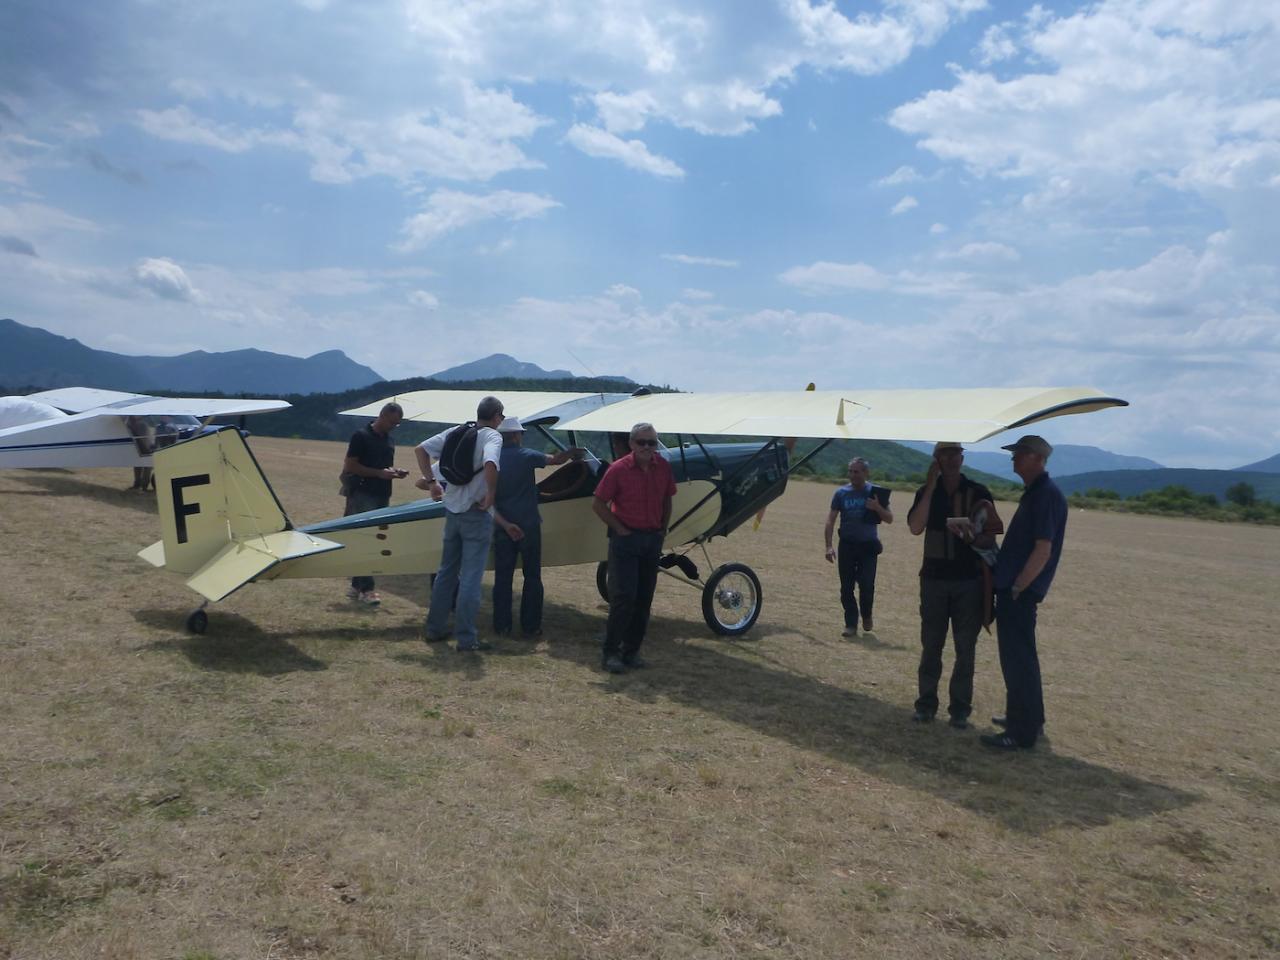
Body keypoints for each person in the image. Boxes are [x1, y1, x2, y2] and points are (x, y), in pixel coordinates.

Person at [906, 441, 1002, 729]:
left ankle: (959, 710)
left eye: (954, 453)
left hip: (968, 581)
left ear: (962, 457)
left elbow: (991, 537)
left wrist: (972, 535)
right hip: (933, 580)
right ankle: (926, 705)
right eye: (943, 454)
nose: (950, 459)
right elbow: (914, 527)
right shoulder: (926, 493)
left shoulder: (978, 493)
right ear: (935, 459)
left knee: (965, 649)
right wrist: (930, 487)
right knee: (930, 646)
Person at [982, 435, 1067, 751]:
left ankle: (1021, 732)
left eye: (1018, 454)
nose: (1013, 459)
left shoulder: (1044, 495)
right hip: (1017, 589)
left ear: (1035, 458)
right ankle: (1028, 718)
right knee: (1021, 658)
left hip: (1019, 592)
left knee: (1018, 660)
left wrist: (1019, 586)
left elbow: (1042, 549)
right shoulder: (1038, 493)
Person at [416, 396, 504, 652]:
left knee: (446, 572)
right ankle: (466, 638)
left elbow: (420, 450)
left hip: (451, 510)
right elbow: (491, 463)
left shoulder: (458, 430)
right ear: (497, 416)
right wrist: (491, 494)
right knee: (470, 579)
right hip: (476, 514)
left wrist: (432, 483)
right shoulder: (492, 437)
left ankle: (434, 629)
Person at [592, 422, 676, 674]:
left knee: (644, 598)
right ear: (631, 444)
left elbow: (667, 499)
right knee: (623, 598)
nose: (647, 447)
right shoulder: (618, 469)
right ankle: (610, 652)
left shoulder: (663, 467)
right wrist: (620, 529)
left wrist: (663, 529)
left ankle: (632, 651)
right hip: (626, 542)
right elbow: (598, 504)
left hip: (652, 539)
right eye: (642, 442)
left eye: (652, 442)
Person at [491, 415, 584, 637]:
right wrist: (572, 452)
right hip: (529, 525)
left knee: (503, 578)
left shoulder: (491, 459)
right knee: (532, 576)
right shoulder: (527, 455)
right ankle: (531, 627)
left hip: (503, 526)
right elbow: (557, 460)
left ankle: (501, 626)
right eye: (521, 434)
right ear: (515, 435)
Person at [342, 402, 408, 605]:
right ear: (382, 415)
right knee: (367, 540)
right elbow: (350, 465)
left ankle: (355, 585)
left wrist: (395, 472)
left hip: (382, 495)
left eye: (397, 424)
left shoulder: (390, 440)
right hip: (362, 494)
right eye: (391, 422)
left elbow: (384, 467)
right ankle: (368, 590)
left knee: (374, 538)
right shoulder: (360, 436)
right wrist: (379, 473)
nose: (393, 427)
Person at [823, 457, 893, 637]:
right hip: (847, 545)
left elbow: (889, 518)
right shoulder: (841, 493)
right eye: (851, 471)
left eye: (857, 471)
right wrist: (829, 546)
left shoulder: (875, 492)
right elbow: (831, 520)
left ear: (866, 473)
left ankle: (867, 615)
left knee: (867, 585)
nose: (853, 475)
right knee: (846, 588)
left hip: (868, 547)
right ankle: (851, 624)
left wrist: (877, 507)